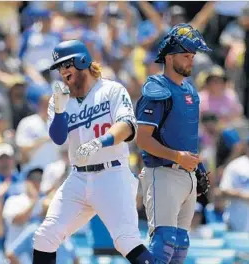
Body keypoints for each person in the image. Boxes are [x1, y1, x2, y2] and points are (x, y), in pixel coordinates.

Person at [32, 39, 154, 264]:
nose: (62, 72)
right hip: (78, 177)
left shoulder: (111, 89)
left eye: (66, 65)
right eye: (59, 68)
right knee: (45, 237)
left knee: (126, 240)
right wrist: (59, 111)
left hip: (112, 174)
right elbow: (58, 138)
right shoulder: (60, 99)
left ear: (82, 61)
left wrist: (100, 142)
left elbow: (127, 126)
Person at [135, 24, 212, 264]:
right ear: (169, 57)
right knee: (163, 245)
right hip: (163, 173)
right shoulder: (156, 89)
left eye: (193, 56)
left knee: (180, 248)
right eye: (186, 55)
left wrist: (196, 168)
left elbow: (184, 135)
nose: (191, 61)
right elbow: (142, 139)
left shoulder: (189, 90)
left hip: (186, 175)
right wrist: (178, 157)